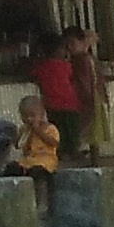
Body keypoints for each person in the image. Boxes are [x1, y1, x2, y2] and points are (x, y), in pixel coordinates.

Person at [29, 31, 95, 169]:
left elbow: (33, 76)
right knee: (72, 129)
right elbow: (73, 78)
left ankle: (61, 152)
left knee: (57, 129)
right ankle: (73, 151)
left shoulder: (42, 67)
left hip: (52, 105)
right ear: (59, 50)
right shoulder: (66, 65)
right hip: (70, 103)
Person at [14, 90, 60, 206]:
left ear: (42, 114)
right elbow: (18, 145)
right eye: (25, 116)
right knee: (12, 169)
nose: (29, 119)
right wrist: (21, 135)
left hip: (44, 161)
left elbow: (53, 142)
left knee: (38, 172)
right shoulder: (25, 129)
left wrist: (38, 131)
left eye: (32, 116)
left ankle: (41, 201)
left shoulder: (50, 128)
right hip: (28, 160)